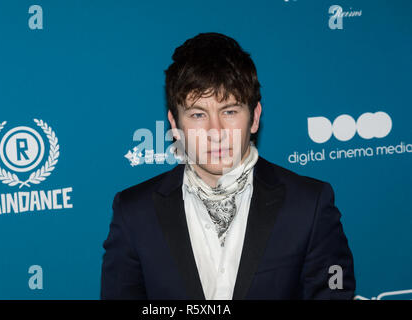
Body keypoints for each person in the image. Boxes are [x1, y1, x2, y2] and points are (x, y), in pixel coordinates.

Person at [100, 32, 355, 300]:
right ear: (175, 125)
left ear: (254, 118)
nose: (216, 131)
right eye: (198, 115)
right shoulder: (134, 214)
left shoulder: (309, 205)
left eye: (229, 112)